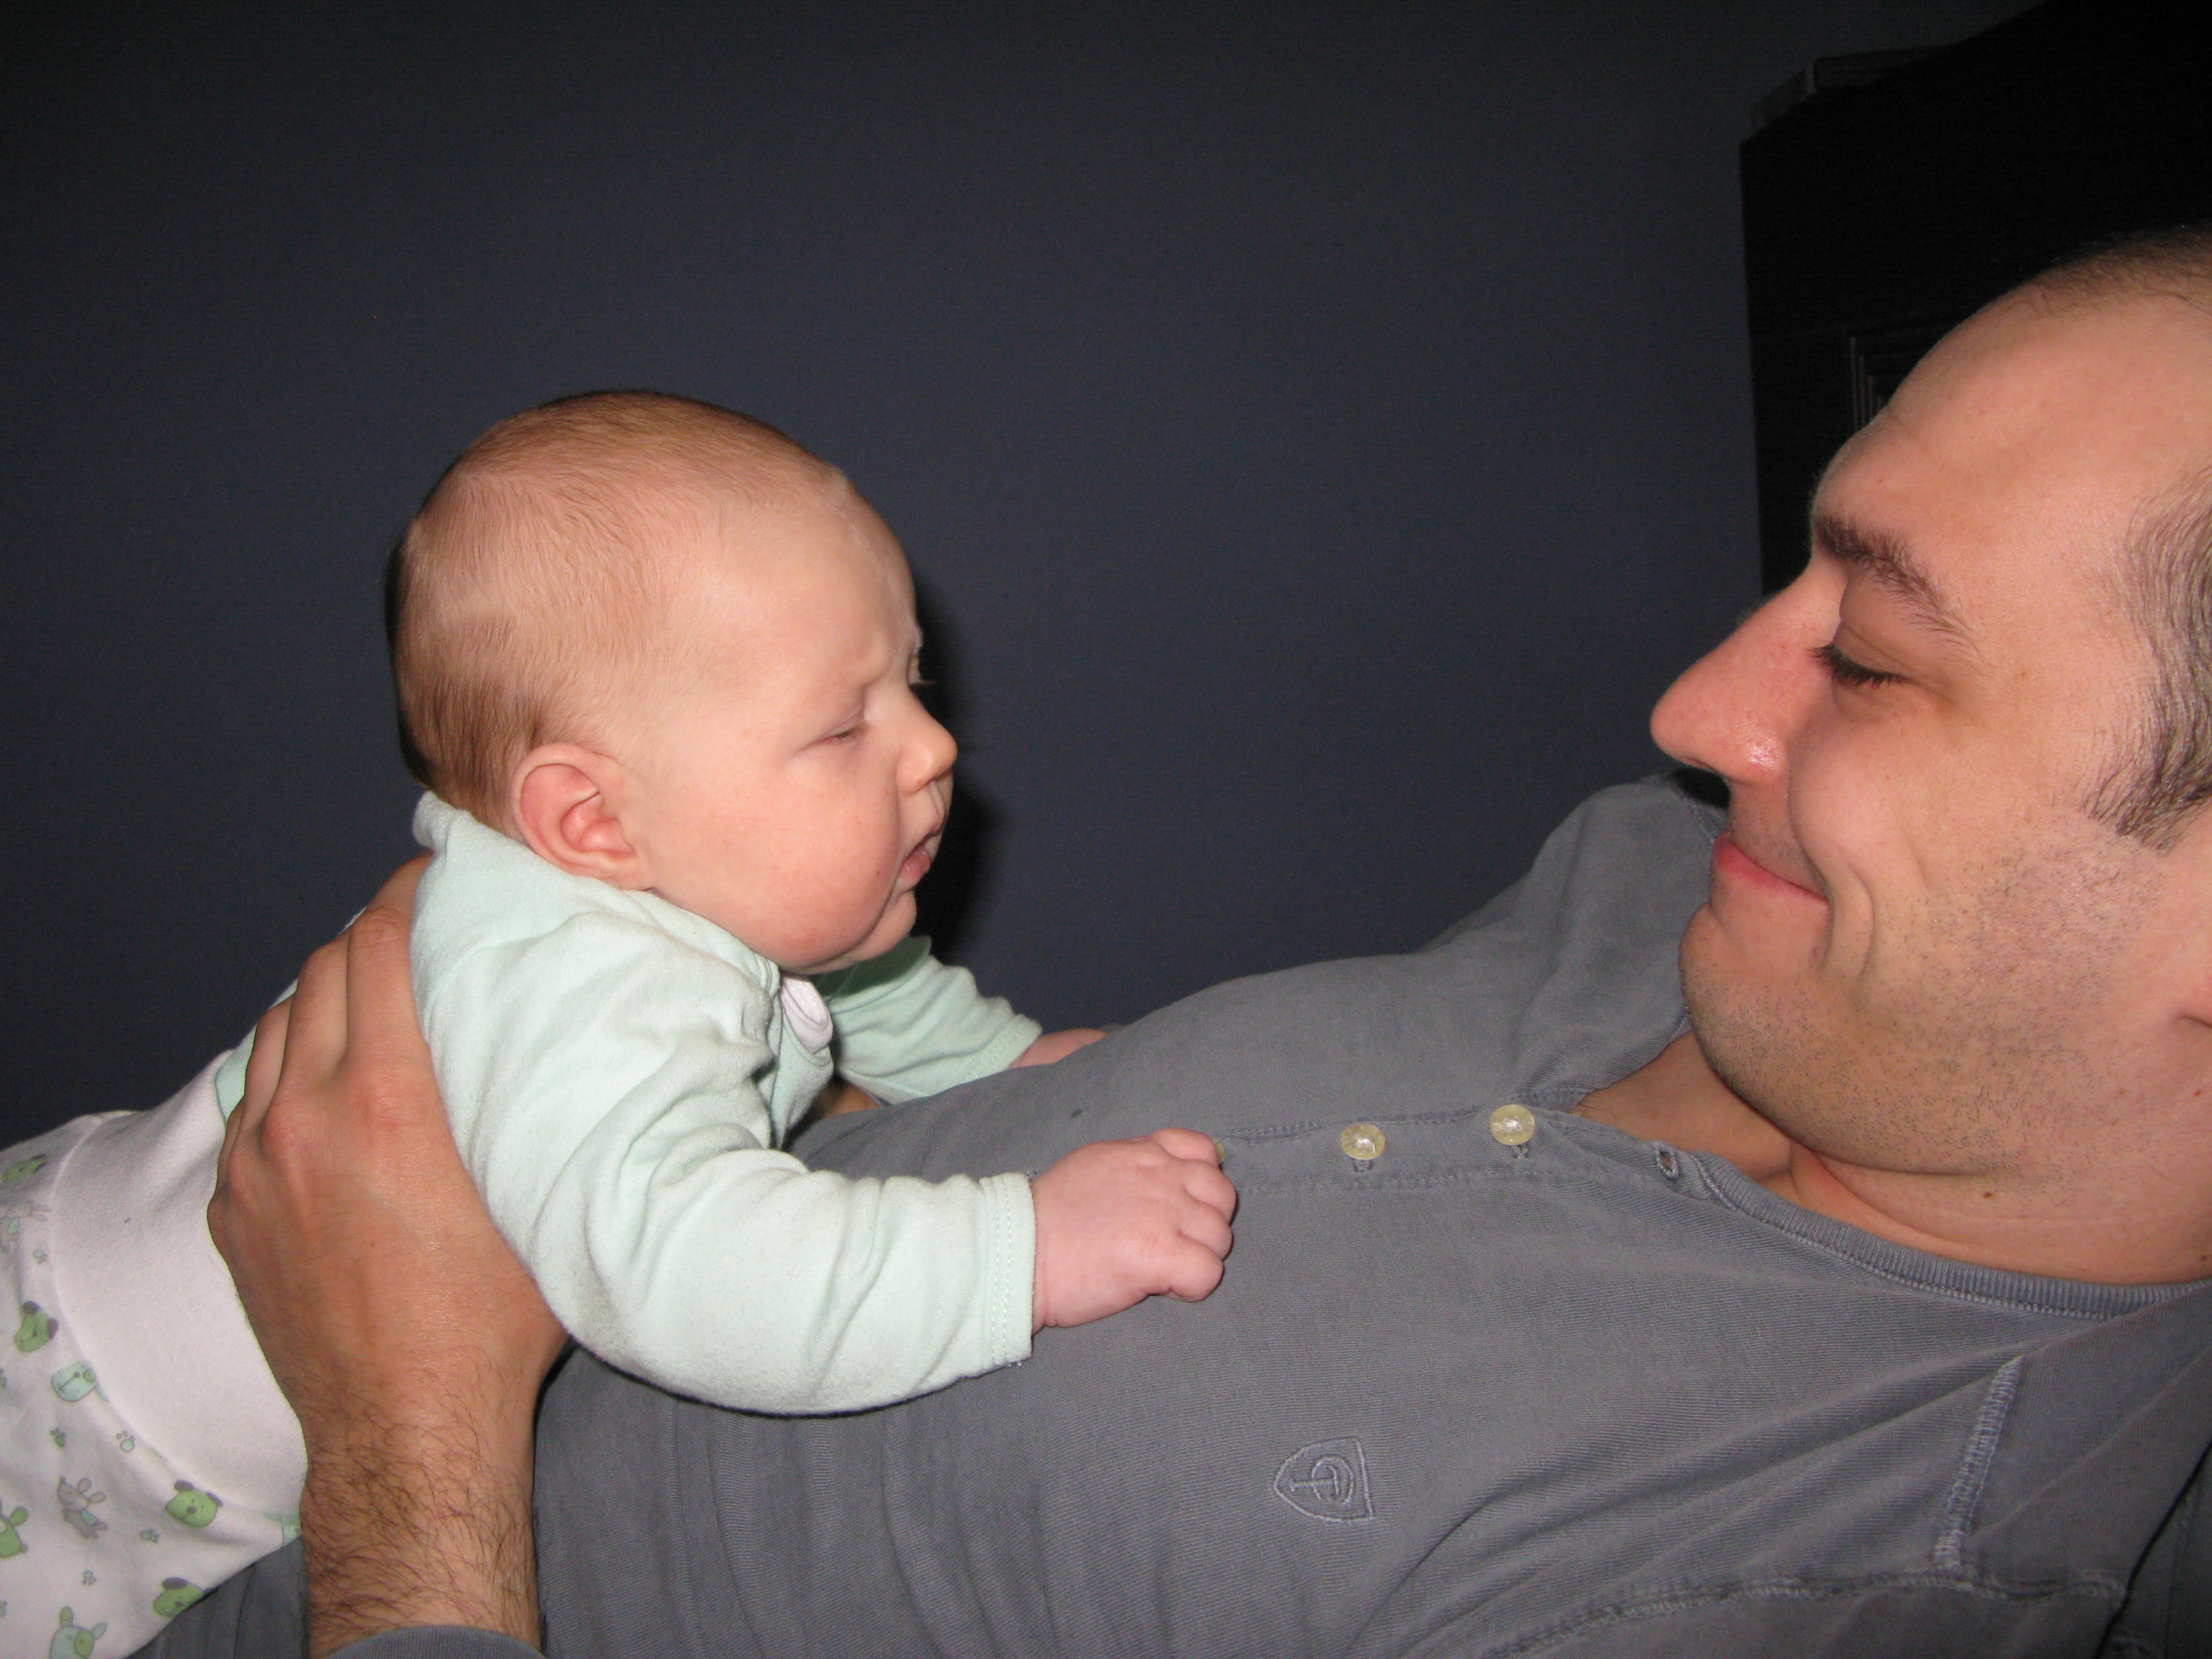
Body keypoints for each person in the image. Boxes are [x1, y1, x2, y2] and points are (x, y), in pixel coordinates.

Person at [155, 228, 2212, 1657]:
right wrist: (812, 1088)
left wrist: (410, 1436)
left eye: (1873, 659)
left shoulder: (1780, 1589)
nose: (1693, 717)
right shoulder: (1675, 884)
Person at [0, 394, 1235, 1656]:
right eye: (842, 724)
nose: (931, 746)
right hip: (78, 1431)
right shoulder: (589, 983)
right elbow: (694, 1276)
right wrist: (1023, 1252)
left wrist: (1013, 1068)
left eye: (909, 681)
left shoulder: (694, 878)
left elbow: (860, 987)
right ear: (592, 822)